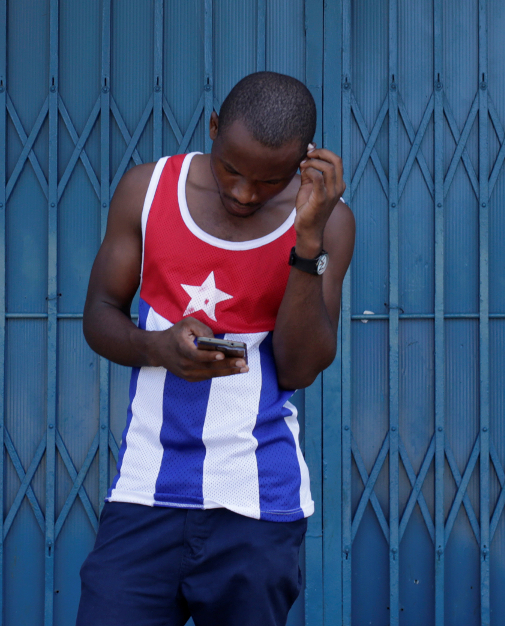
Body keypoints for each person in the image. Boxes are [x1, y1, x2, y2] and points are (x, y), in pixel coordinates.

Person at [77, 71, 354, 626]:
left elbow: (299, 368)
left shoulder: (329, 225)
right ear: (213, 127)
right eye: (232, 169)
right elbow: (98, 317)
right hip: (145, 492)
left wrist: (307, 240)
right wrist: (158, 347)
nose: (244, 193)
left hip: (257, 503)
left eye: (271, 180)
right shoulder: (147, 191)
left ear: (304, 163)